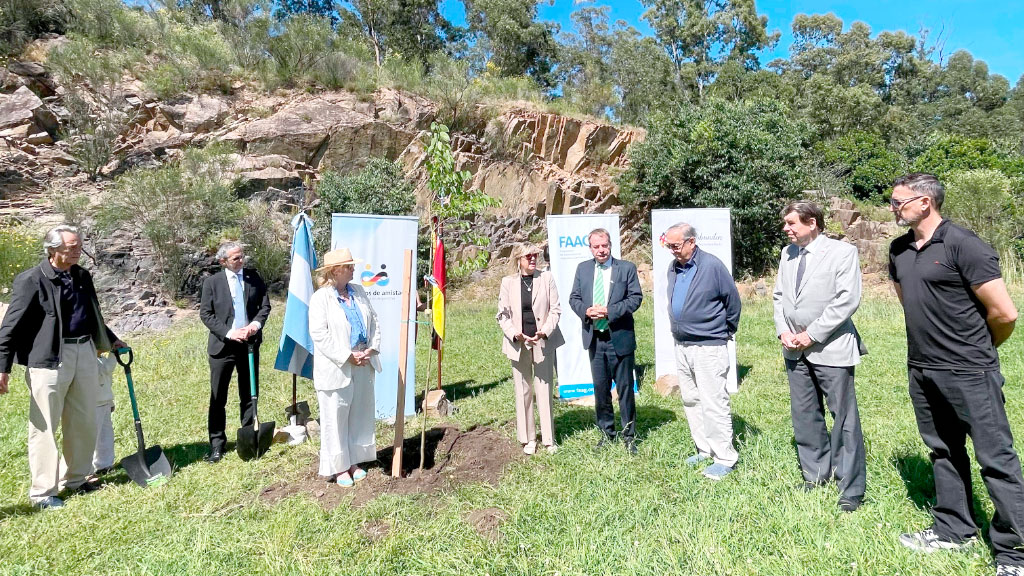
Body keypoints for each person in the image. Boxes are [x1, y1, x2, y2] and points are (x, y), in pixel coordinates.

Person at [888, 173, 1024, 576]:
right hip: (922, 368)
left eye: (899, 202)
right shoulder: (899, 250)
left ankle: (1015, 552)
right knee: (944, 450)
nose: (893, 208)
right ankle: (954, 529)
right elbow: (909, 303)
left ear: (925, 202)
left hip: (970, 371)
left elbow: (1005, 313)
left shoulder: (965, 245)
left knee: (996, 459)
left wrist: (978, 351)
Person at [0, 225, 126, 509]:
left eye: (79, 246)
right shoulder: (31, 279)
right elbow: (10, 326)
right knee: (44, 426)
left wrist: (111, 339)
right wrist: (2, 366)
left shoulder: (81, 275)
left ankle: (76, 479)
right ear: (53, 249)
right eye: (71, 247)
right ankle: (44, 492)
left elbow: (91, 314)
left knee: (84, 419)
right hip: (49, 359)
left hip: (85, 351)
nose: (78, 251)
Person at [772, 202, 867, 511]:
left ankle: (850, 488)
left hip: (831, 348)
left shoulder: (842, 253)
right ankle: (814, 475)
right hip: (794, 349)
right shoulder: (787, 254)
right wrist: (783, 331)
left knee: (844, 419)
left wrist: (812, 334)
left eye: (791, 223)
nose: (786, 228)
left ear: (812, 222)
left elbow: (847, 299)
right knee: (805, 415)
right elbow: (778, 297)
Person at [663, 222, 741, 480]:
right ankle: (704, 448)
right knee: (691, 399)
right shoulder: (673, 267)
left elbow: (733, 302)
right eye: (669, 246)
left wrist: (722, 331)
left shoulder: (712, 266)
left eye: (676, 245)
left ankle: (725, 458)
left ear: (691, 242)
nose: (672, 250)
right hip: (682, 344)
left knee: (713, 401)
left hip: (709, 346)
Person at [308, 248, 381, 488]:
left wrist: (371, 348)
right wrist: (346, 356)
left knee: (358, 413)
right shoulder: (320, 298)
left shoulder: (358, 291)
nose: (353, 269)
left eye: (352, 265)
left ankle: (354, 461)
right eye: (348, 266)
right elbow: (319, 335)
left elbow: (374, 322)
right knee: (335, 416)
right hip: (336, 367)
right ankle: (339, 466)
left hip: (363, 362)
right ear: (335, 271)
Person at [569, 228, 643, 454]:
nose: (601, 250)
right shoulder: (583, 269)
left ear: (610, 245)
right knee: (601, 390)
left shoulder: (626, 268)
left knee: (625, 389)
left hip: (619, 338)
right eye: (596, 247)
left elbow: (635, 298)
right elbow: (574, 298)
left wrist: (610, 311)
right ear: (590, 248)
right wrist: (586, 310)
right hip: (595, 339)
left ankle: (629, 436)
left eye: (605, 246)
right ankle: (607, 433)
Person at [199, 241, 271, 464]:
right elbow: (206, 314)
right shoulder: (212, 283)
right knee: (218, 397)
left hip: (249, 344)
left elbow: (264, 306)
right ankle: (217, 444)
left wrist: (255, 326)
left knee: (249, 394)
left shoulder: (253, 277)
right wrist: (230, 333)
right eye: (236, 258)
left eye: (242, 257)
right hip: (223, 347)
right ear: (223, 261)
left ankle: (249, 438)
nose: (241, 261)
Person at [496, 243, 565, 455]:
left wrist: (544, 331)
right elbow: (502, 315)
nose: (533, 259)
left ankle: (549, 439)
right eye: (528, 256)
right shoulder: (507, 282)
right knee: (523, 390)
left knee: (544, 389)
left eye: (535, 255)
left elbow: (555, 310)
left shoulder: (547, 278)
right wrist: (515, 333)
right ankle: (529, 438)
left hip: (542, 341)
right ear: (519, 259)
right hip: (518, 343)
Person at [93, 351, 118, 475]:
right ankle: (87, 468)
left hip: (105, 402)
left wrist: (110, 402)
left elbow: (108, 381)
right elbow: (107, 369)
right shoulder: (89, 361)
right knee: (93, 437)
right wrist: (114, 354)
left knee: (106, 435)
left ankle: (105, 464)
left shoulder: (101, 359)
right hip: (93, 405)